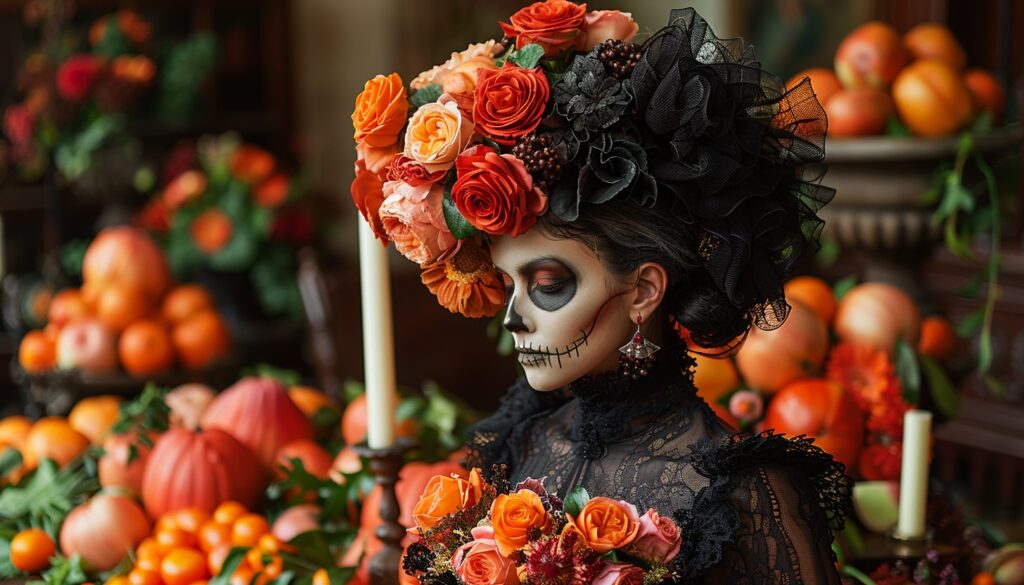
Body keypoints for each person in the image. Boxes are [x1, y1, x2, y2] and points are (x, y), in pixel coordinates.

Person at [350, 2, 849, 582]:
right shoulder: (518, 442)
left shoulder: (742, 495)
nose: (513, 317)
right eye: (509, 281)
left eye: (548, 284)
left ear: (643, 290)